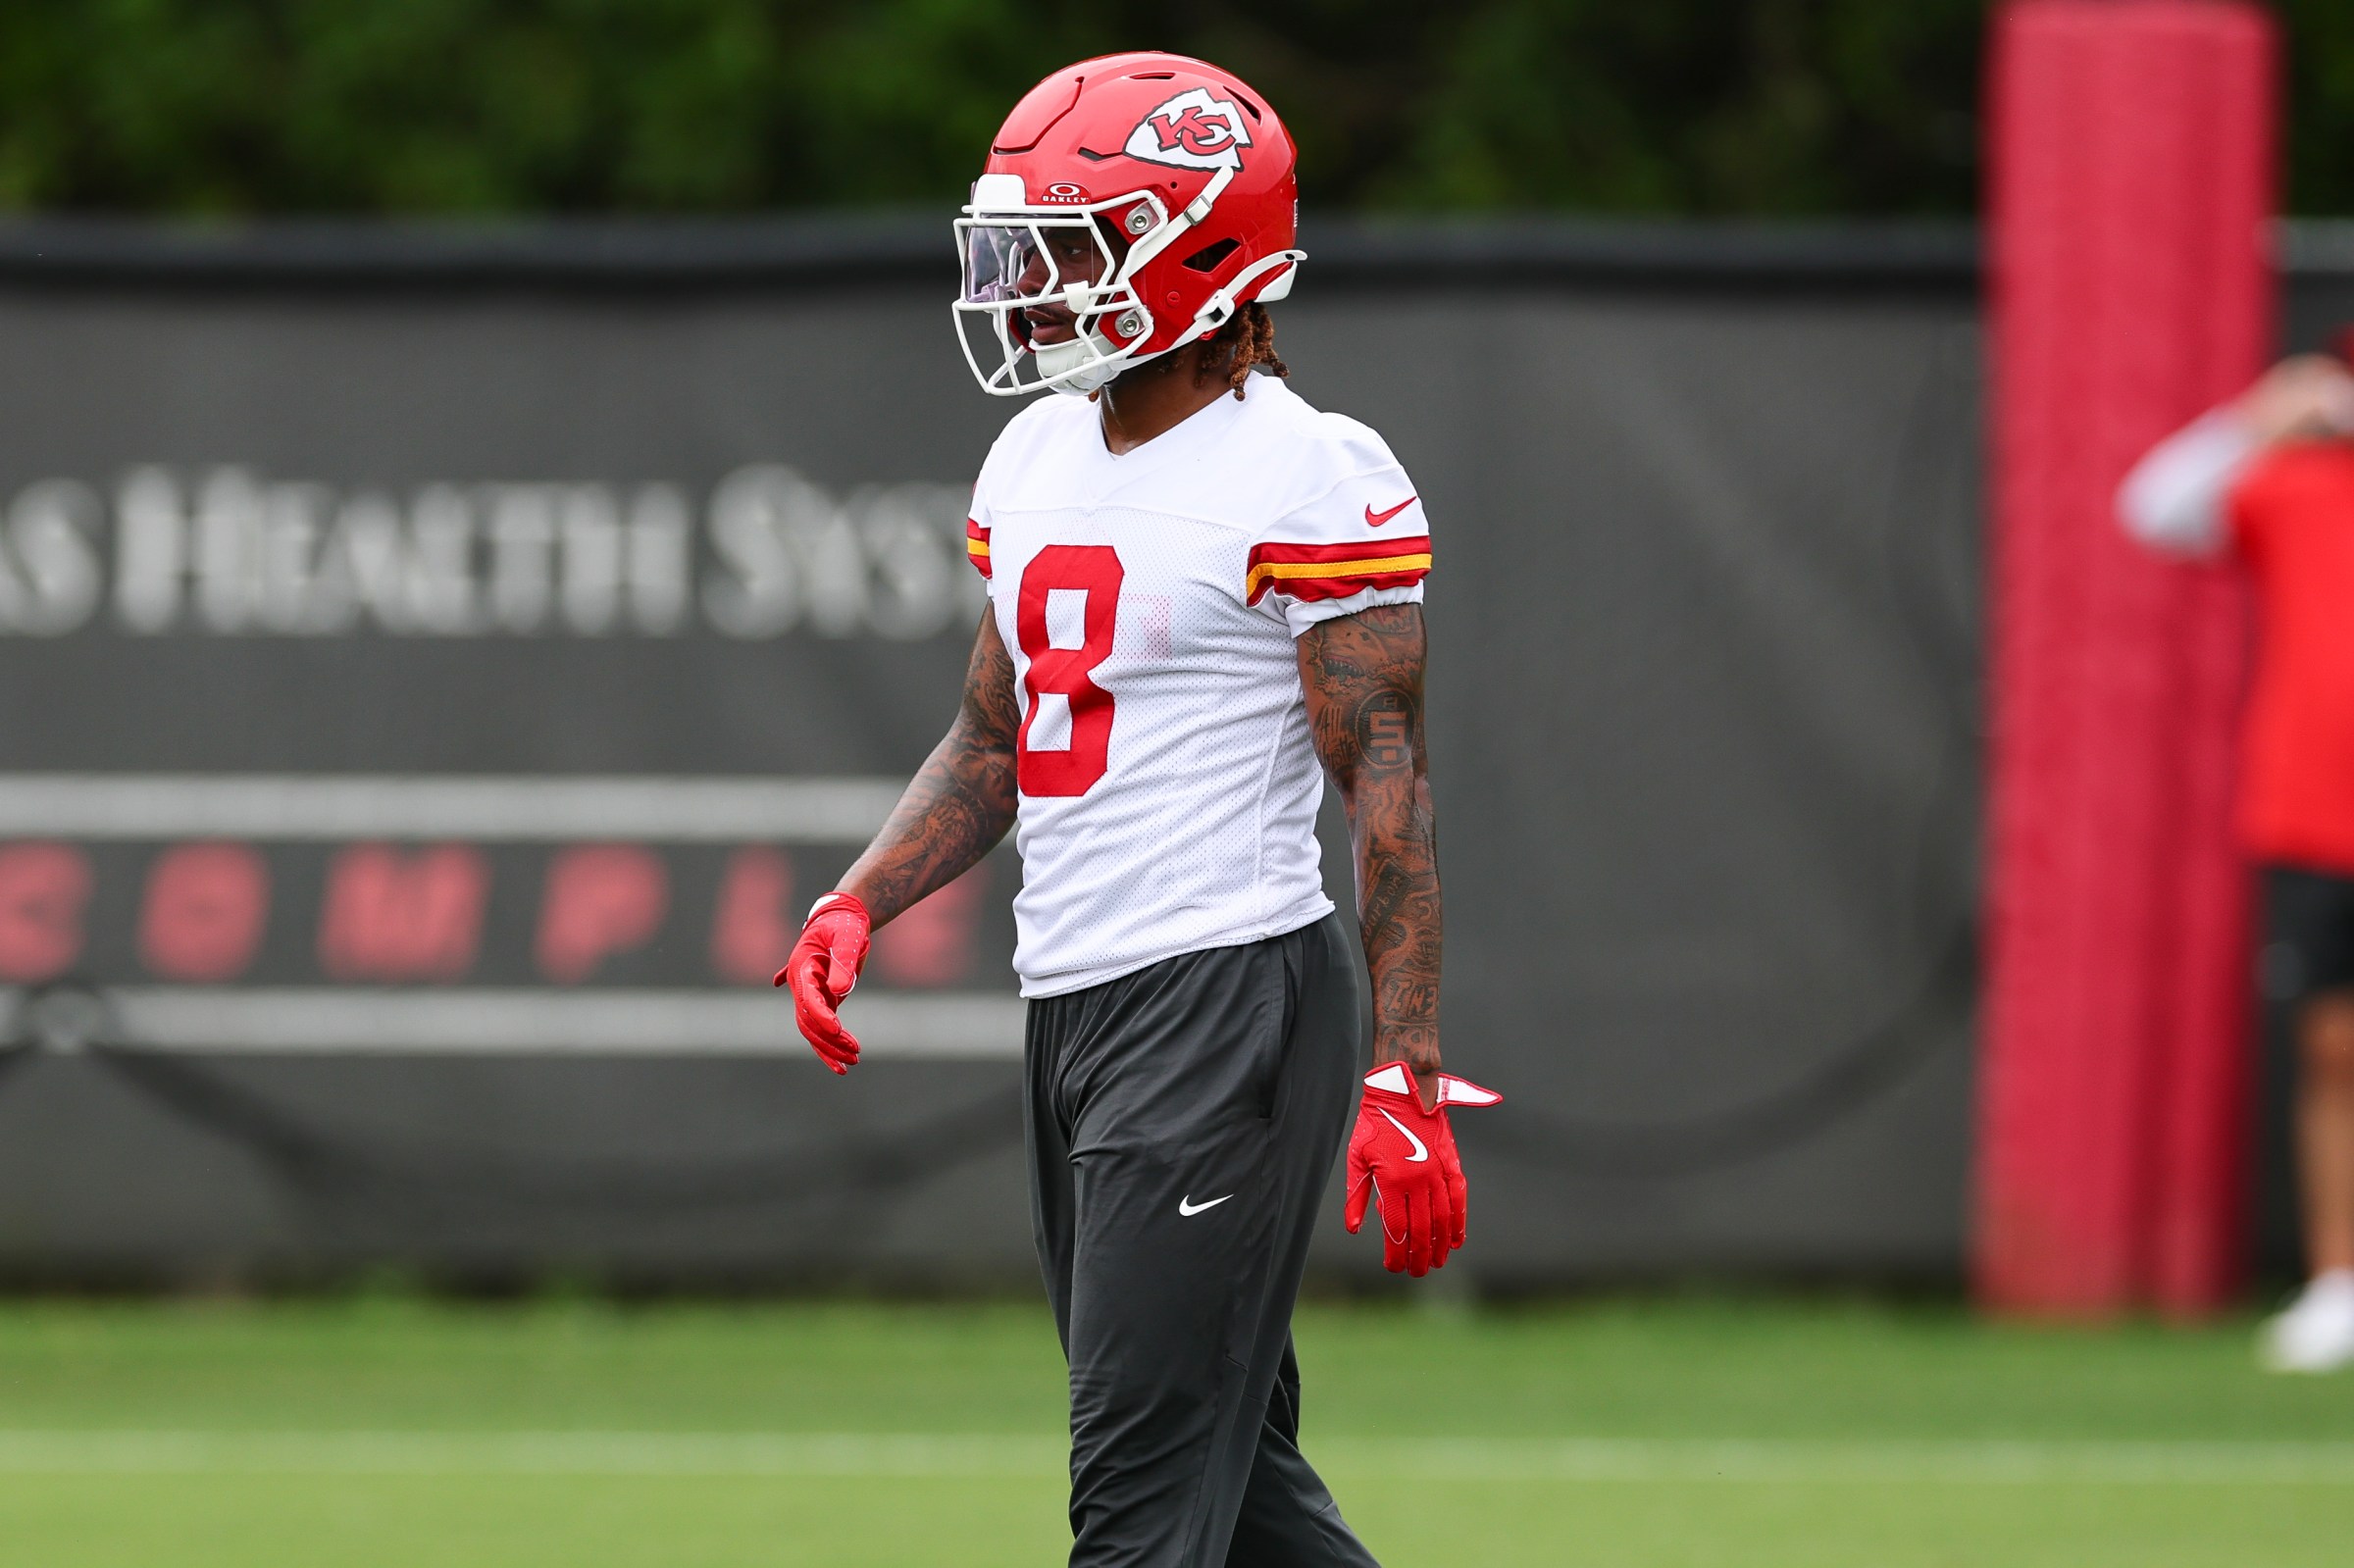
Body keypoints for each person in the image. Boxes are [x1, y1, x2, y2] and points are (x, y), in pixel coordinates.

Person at [774, 53, 1498, 1565]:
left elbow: (1387, 781)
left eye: (1075, 242)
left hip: (1223, 998)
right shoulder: (1037, 447)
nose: (1031, 281)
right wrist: (859, 897)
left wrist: (1405, 1067)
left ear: (1204, 254)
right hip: (1078, 1005)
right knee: (1241, 1499)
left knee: (1135, 1513)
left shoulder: (1306, 468)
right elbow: (994, 729)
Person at [2119, 340, 2354, 1372]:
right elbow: (2155, 503)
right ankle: (2341, 1282)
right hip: (2313, 814)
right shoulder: (2294, 486)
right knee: (2335, 1050)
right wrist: (2262, 416)